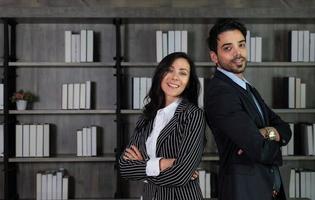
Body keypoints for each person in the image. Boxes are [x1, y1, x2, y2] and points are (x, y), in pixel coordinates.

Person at [204, 19, 292, 200]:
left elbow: (285, 128)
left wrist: (267, 132)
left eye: (241, 45)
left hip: (265, 188)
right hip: (245, 191)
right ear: (214, 56)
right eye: (228, 48)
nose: (238, 53)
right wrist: (273, 135)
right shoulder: (220, 92)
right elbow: (260, 150)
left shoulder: (246, 87)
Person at [119, 52, 205, 200]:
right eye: (169, 70)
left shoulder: (193, 115)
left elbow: (180, 176)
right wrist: (164, 163)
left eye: (183, 73)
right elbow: (125, 167)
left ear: (189, 82)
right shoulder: (147, 115)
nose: (175, 77)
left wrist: (143, 166)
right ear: (161, 74)